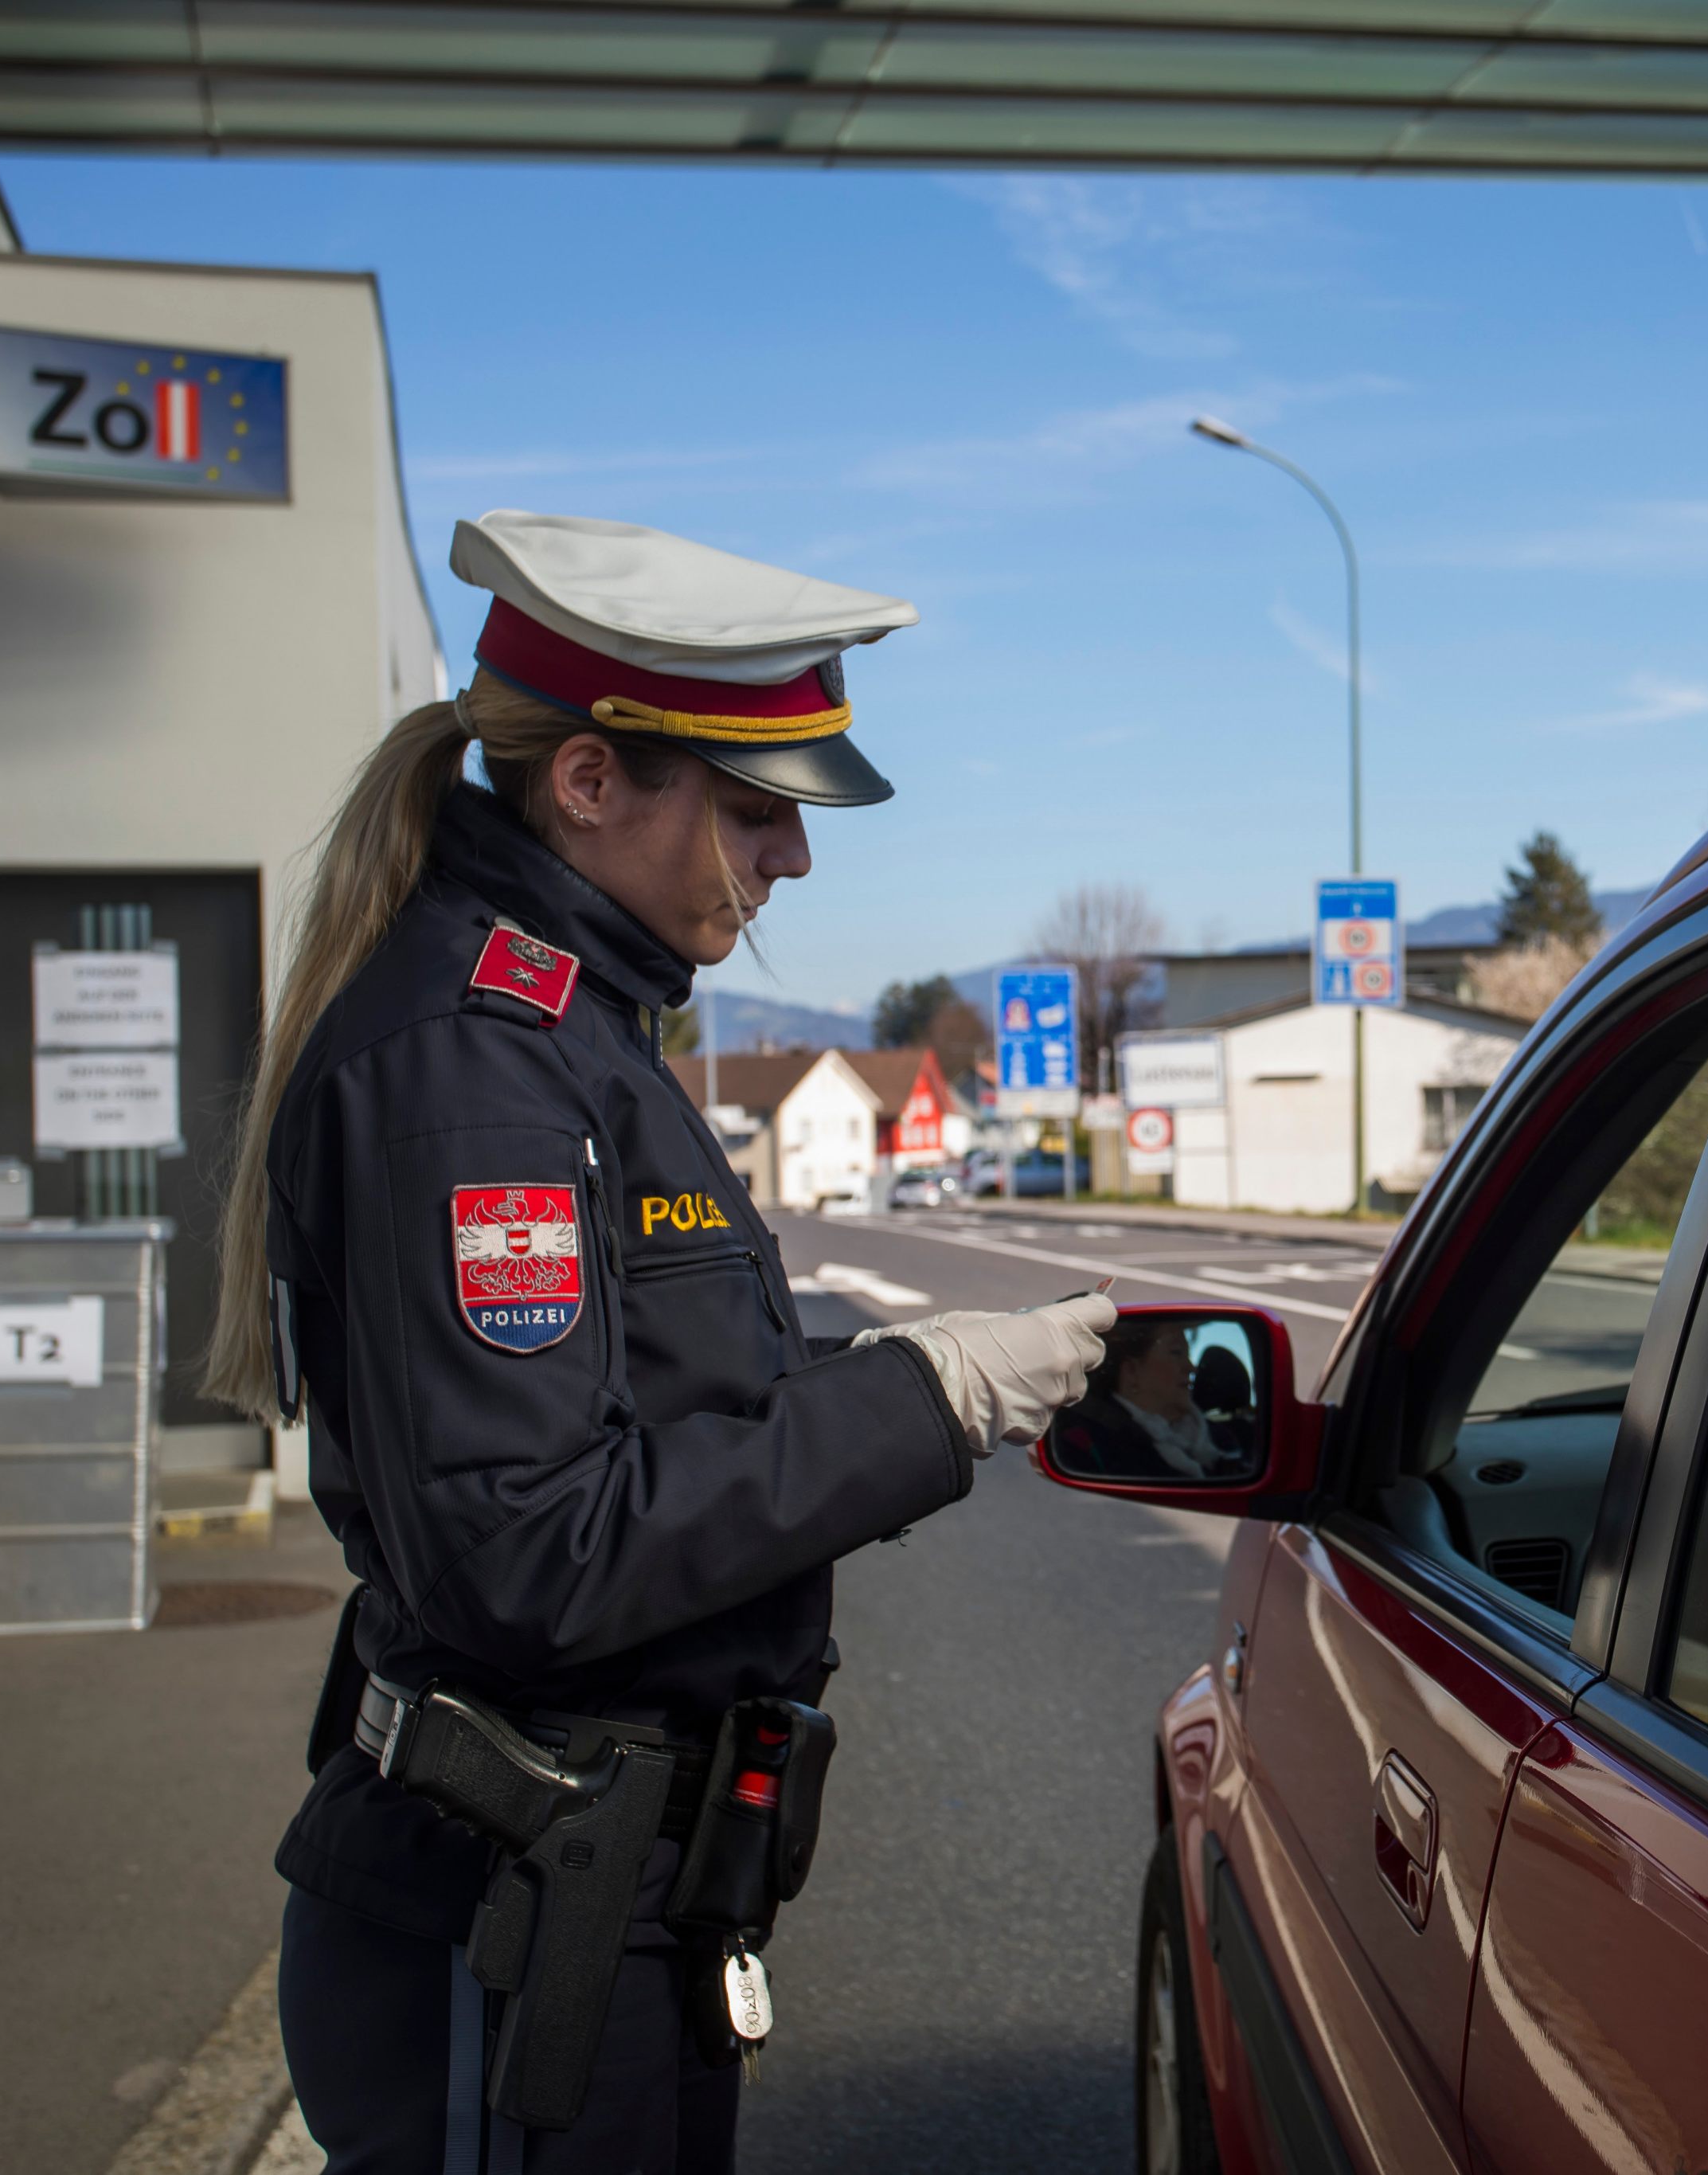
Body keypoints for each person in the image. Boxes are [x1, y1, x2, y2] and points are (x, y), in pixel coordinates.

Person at [205, 509, 1116, 2173]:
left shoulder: (574, 1035)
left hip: (594, 1901)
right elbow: (531, 1548)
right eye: (759, 809)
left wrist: (878, 1378)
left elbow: (646, 1401)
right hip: (513, 1917)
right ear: (590, 782)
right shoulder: (476, 1065)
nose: (793, 860)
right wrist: (932, 1392)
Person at [1057, 1320, 1253, 1481]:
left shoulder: (1222, 1438)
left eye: (1188, 1354)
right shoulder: (1094, 1443)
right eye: (1176, 1353)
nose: (1191, 1368)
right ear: (1132, 1371)